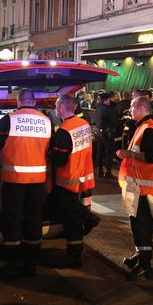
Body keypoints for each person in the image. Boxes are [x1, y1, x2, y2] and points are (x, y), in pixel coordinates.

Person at [0, 88, 51, 277]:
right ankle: (32, 260)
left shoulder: (9, 119)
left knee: (13, 218)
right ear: (33, 102)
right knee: (34, 218)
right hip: (38, 179)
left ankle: (13, 260)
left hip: (14, 178)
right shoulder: (46, 120)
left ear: (18, 101)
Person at [118, 96, 153, 280]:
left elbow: (151, 157)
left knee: (142, 225)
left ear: (141, 107)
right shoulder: (143, 126)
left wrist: (127, 154)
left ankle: (145, 263)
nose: (129, 109)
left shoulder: (148, 129)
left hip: (143, 188)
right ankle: (140, 255)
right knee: (137, 224)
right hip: (137, 185)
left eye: (131, 106)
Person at [49, 94, 96, 268]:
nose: (55, 109)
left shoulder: (64, 130)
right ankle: (88, 217)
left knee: (71, 219)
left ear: (62, 107)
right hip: (81, 176)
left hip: (67, 178)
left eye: (56, 106)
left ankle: (74, 254)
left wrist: (49, 153)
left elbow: (59, 158)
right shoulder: (83, 125)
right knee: (73, 212)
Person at [93, 92, 119, 179]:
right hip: (106, 133)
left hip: (98, 132)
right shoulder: (107, 109)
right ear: (106, 100)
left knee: (100, 151)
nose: (109, 102)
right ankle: (108, 172)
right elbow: (114, 120)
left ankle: (99, 170)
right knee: (109, 152)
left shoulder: (98, 107)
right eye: (108, 100)